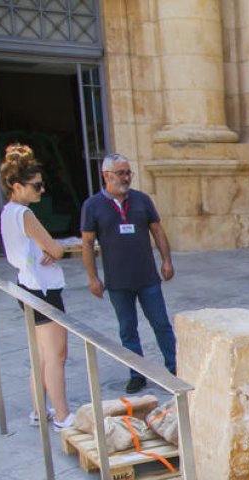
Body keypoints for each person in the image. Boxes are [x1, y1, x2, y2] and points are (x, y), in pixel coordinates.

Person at [80, 153, 176, 394]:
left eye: (128, 173)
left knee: (161, 324)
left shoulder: (142, 200)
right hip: (118, 281)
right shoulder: (92, 206)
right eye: (121, 173)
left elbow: (157, 230)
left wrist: (166, 261)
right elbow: (87, 244)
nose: (126, 178)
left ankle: (174, 368)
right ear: (106, 176)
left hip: (147, 277)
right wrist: (93, 278)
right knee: (127, 328)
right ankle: (137, 373)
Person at [0, 144, 75, 428]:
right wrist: (54, 249)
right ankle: (63, 415)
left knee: (41, 354)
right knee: (56, 355)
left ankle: (39, 411)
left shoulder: (8, 212)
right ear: (18, 186)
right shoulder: (24, 214)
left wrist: (46, 249)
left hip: (27, 285)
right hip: (42, 289)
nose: (42, 191)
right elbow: (55, 251)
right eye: (37, 186)